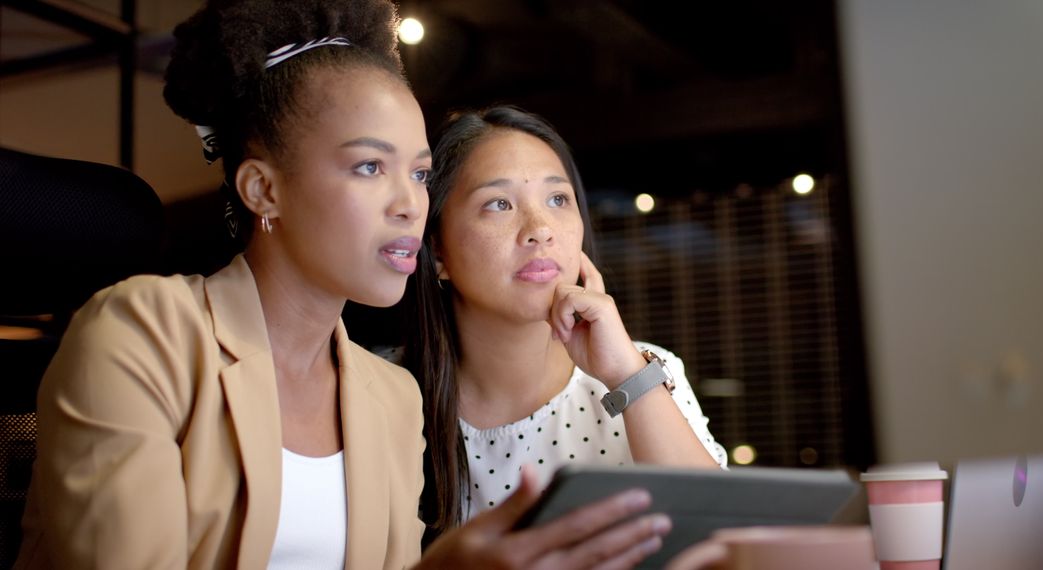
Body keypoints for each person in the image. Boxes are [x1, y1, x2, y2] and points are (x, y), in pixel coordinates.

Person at [14, 2, 671, 568]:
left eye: (419, 174)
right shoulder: (142, 332)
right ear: (263, 189)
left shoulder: (391, 397)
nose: (411, 205)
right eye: (368, 167)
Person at [405, 105, 728, 533]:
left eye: (558, 199)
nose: (541, 229)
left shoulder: (646, 371)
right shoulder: (384, 393)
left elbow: (721, 538)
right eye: (499, 204)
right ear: (437, 249)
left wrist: (628, 376)